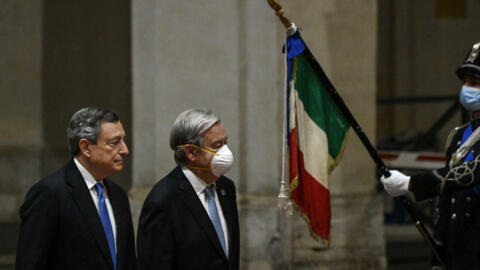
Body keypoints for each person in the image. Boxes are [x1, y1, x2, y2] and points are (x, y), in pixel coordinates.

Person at [381, 42, 480, 270]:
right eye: (465, 82)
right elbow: (446, 202)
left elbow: (468, 174)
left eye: (474, 83)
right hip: (460, 250)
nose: (467, 89)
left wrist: (412, 183)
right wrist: (439, 253)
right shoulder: (459, 136)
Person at [15, 107, 137, 270]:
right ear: (86, 147)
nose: (125, 150)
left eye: (123, 140)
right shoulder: (49, 193)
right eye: (115, 143)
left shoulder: (119, 196)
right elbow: (30, 263)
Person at [137, 108, 239, 270]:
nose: (226, 153)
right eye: (216, 145)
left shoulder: (226, 188)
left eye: (225, 143)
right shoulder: (163, 200)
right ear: (191, 152)